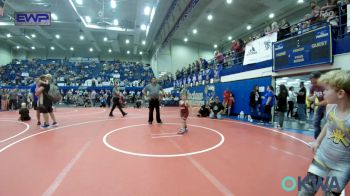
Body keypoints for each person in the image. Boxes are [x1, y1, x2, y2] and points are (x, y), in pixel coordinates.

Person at [298, 70, 350, 196]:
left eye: (326, 89)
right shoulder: (330, 107)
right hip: (322, 158)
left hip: (342, 166)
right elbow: (329, 124)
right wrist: (317, 141)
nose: (323, 92)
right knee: (306, 191)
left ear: (340, 93)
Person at [308, 72, 327, 139]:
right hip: (321, 105)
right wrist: (311, 98)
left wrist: (316, 104)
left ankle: (324, 141)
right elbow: (309, 97)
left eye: (312, 79)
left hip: (329, 106)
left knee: (326, 124)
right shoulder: (313, 87)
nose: (311, 82)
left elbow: (328, 101)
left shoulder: (325, 86)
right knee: (316, 123)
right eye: (311, 80)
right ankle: (317, 141)